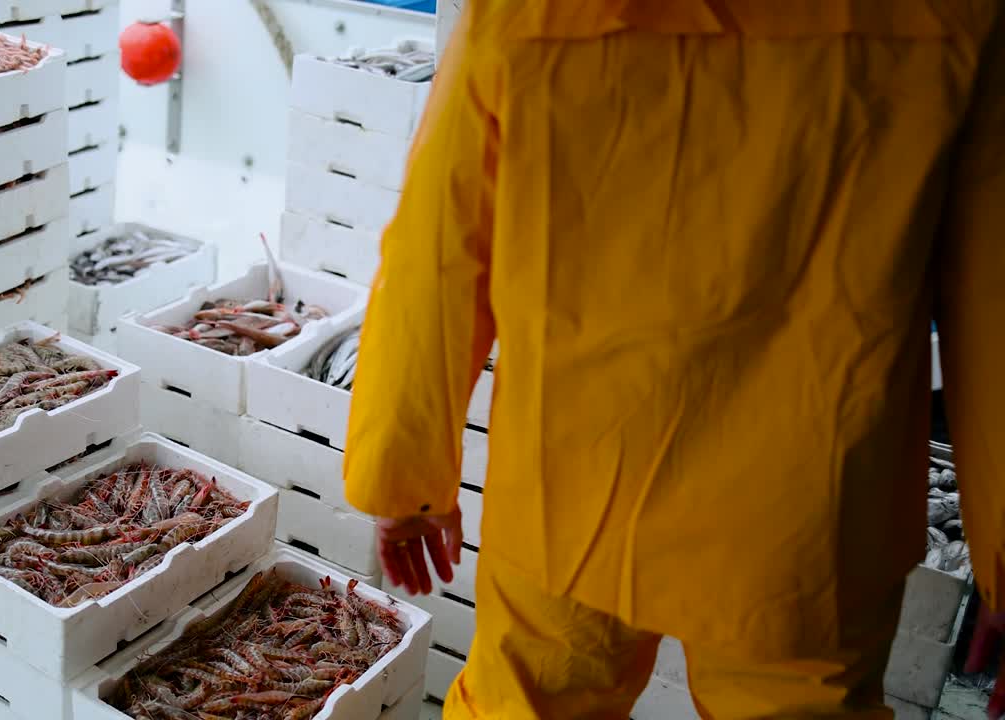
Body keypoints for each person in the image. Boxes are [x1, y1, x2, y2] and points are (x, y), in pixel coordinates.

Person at [341, 1, 1005, 718]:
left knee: (528, 703)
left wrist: (404, 479)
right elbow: (991, 298)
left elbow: (437, 251)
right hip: (811, 519)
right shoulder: (956, 14)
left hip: (573, 492)